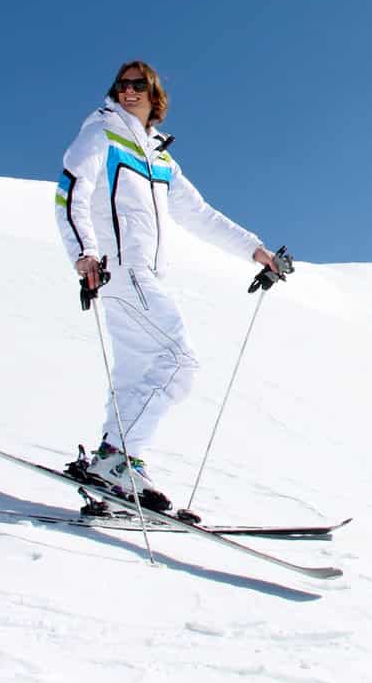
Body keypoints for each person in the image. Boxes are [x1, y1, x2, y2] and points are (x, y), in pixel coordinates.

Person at [55, 60, 288, 519]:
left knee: (135, 377)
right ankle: (115, 461)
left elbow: (200, 215)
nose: (128, 91)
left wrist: (255, 250)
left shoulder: (160, 159)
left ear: (155, 94)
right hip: (122, 270)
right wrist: (83, 253)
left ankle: (112, 479)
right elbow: (71, 190)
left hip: (147, 275)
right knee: (179, 362)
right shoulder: (101, 134)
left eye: (138, 85)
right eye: (121, 85)